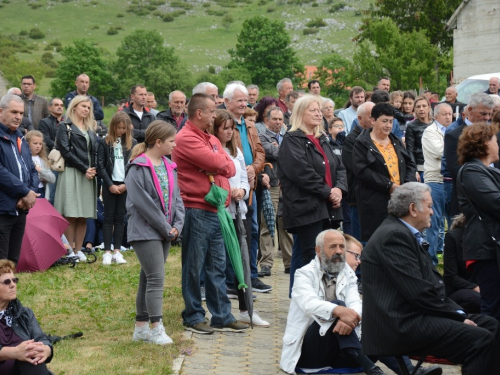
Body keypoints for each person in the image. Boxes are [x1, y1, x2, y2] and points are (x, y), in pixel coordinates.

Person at [362, 182, 500, 375]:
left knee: (491, 324)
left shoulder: (401, 233)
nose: (433, 212)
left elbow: (429, 289)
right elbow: (419, 292)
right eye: (429, 206)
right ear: (413, 209)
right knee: (480, 339)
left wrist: (458, 314)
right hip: (399, 326)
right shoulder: (394, 236)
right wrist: (458, 317)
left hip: (412, 317)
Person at [172, 93, 249, 334]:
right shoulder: (186, 138)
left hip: (217, 210)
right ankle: (193, 316)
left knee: (217, 264)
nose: (215, 115)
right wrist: (219, 163)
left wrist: (219, 162)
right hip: (197, 209)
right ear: (199, 113)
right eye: (212, 112)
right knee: (194, 265)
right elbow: (222, 165)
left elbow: (228, 164)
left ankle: (222, 315)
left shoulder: (210, 139)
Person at [280, 229, 387, 375]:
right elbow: (309, 304)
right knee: (338, 305)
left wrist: (347, 318)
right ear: (318, 251)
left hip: (337, 350)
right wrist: (338, 311)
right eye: (333, 247)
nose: (338, 251)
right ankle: (368, 366)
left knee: (378, 320)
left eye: (342, 247)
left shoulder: (348, 274)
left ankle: (410, 369)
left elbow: (356, 303)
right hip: (309, 353)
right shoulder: (303, 274)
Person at [278, 94, 347, 290]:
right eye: (313, 110)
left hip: (326, 207)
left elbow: (339, 166)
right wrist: (328, 192)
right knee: (307, 257)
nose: (319, 114)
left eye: (319, 110)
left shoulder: (322, 138)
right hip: (306, 208)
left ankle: (315, 298)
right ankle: (303, 300)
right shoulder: (292, 140)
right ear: (300, 113)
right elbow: (302, 173)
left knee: (318, 257)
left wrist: (339, 189)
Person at [125, 120, 184, 344]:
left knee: (147, 278)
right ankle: (156, 327)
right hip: (146, 230)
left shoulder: (170, 166)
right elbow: (143, 204)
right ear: (158, 142)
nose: (174, 145)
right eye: (171, 141)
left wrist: (178, 224)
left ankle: (140, 329)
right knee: (156, 278)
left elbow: (177, 198)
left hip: (166, 230)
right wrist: (165, 226)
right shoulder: (137, 167)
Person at [210, 109, 270, 327]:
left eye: (231, 128)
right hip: (219, 212)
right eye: (224, 128)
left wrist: (243, 192)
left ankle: (246, 310)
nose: (228, 132)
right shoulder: (211, 150)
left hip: (238, 210)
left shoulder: (236, 151)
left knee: (243, 260)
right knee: (220, 262)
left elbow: (244, 177)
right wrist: (226, 193)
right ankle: (221, 312)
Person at [224, 83, 269, 293]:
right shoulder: (223, 124)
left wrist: (254, 167)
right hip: (232, 186)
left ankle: (251, 275)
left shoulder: (250, 125)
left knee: (252, 230)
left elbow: (260, 151)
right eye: (239, 100)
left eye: (245, 100)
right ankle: (233, 279)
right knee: (233, 232)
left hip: (250, 186)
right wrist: (243, 170)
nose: (244, 104)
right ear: (227, 102)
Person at [352, 103, 416, 242]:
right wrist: (389, 186)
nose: (388, 125)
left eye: (391, 121)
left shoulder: (396, 141)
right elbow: (362, 171)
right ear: (373, 121)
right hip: (375, 204)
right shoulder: (362, 143)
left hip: (399, 200)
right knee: (377, 242)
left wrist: (407, 185)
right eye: (384, 121)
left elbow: (410, 163)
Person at [456, 122, 500, 322]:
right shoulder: (471, 171)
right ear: (484, 144)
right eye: (495, 140)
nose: (498, 144)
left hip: (491, 247)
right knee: (493, 306)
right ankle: (489, 352)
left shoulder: (488, 171)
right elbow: (495, 202)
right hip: (487, 249)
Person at [54, 95, 98, 262]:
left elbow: (94, 151)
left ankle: (79, 250)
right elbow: (66, 152)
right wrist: (84, 168)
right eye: (83, 106)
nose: (86, 109)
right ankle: (70, 250)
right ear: (74, 107)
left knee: (83, 215)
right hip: (73, 172)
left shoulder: (90, 127)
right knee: (71, 214)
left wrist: (94, 169)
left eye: (88, 107)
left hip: (88, 174)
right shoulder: (65, 126)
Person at [0, 95, 39, 263]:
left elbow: (32, 169)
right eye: (13, 112)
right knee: (1, 262)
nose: (18, 116)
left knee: (12, 261)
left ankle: (10, 290)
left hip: (20, 209)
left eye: (21, 113)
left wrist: (31, 193)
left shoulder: (20, 138)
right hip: (3, 209)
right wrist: (24, 191)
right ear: (1, 112)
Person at [444, 92, 494, 216]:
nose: (487, 118)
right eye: (483, 113)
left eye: (490, 114)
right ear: (470, 110)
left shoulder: (495, 135)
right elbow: (456, 170)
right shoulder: (454, 136)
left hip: (493, 202)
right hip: (468, 203)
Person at [0, 260, 54, 375]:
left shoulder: (24, 313)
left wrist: (46, 350)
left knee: (31, 356)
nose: (13, 285)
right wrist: (14, 352)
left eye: (14, 280)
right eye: (6, 281)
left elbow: (41, 338)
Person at [97, 112, 136, 265]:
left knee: (120, 218)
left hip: (124, 184)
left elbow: (134, 165)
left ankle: (117, 251)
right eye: (118, 128)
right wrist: (109, 184)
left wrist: (126, 184)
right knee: (108, 217)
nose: (121, 131)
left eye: (124, 128)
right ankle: (107, 251)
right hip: (110, 184)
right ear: (113, 127)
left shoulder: (131, 143)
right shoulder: (104, 142)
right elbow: (100, 164)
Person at [258, 107, 293, 278]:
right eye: (275, 119)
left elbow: (291, 155)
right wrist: (281, 149)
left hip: (287, 185)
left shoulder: (289, 136)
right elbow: (269, 152)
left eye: (281, 119)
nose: (278, 122)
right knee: (267, 225)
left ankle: (289, 263)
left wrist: (279, 148)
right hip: (270, 184)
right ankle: (266, 264)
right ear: (267, 120)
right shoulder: (261, 136)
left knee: (286, 224)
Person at [421, 103, 453, 265]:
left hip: (452, 181)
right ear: (435, 116)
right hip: (435, 182)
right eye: (445, 114)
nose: (448, 117)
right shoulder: (429, 132)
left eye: (450, 114)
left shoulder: (453, 131)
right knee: (433, 224)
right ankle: (431, 262)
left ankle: (454, 260)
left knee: (454, 222)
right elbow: (442, 152)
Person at [342, 101, 375, 241]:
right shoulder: (352, 139)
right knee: (359, 240)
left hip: (376, 196)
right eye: (371, 117)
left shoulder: (377, 137)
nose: (375, 120)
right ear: (360, 119)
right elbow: (357, 168)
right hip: (359, 197)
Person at [443, 214, 481, 314]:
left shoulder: (489, 239)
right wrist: (475, 287)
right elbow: (451, 276)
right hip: (459, 289)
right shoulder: (453, 237)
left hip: (484, 286)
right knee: (476, 299)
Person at [38, 98, 64, 205]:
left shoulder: (67, 122)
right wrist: (64, 148)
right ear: (49, 108)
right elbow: (46, 140)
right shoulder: (44, 122)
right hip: (52, 162)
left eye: (61, 105)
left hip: (66, 162)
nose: (59, 107)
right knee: (52, 195)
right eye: (56, 104)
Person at [405, 96, 433, 182]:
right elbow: (410, 150)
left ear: (429, 108)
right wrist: (414, 170)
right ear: (415, 110)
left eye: (424, 106)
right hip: (421, 165)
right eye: (418, 106)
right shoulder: (411, 126)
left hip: (436, 166)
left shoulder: (436, 123)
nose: (421, 109)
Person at [25, 130, 55, 199]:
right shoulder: (24, 158)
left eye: (40, 144)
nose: (38, 146)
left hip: (41, 190)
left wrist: (40, 170)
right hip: (28, 191)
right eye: (35, 143)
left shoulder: (43, 160)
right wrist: (43, 177)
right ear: (27, 144)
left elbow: (52, 179)